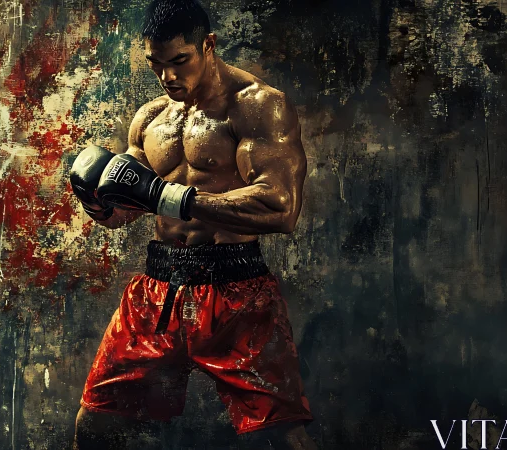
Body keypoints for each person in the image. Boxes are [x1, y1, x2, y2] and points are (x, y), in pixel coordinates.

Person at [69, 0, 316, 448]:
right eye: (156, 65)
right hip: (156, 289)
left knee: (279, 436)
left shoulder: (258, 107)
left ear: (209, 45)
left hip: (236, 292)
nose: (168, 77)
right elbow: (131, 209)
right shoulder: (149, 119)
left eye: (180, 61)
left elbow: (280, 207)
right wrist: (101, 205)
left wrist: (170, 197)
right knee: (97, 425)